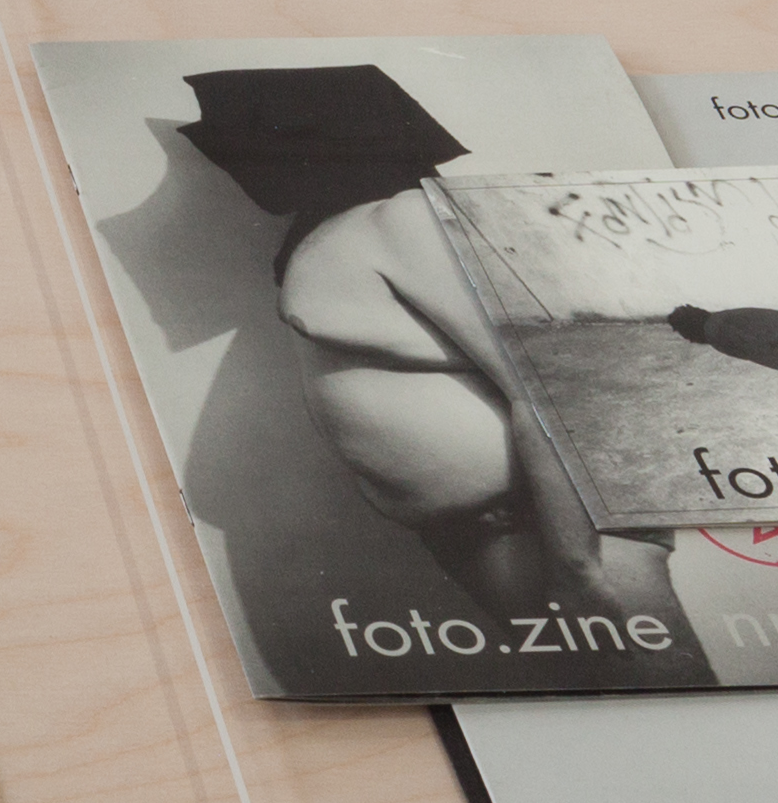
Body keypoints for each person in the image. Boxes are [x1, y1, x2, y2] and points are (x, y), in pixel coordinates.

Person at [173, 67, 679, 633]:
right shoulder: (358, 229)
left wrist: (576, 567)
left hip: (565, 534)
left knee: (650, 702)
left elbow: (548, 389)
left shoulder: (404, 216)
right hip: (509, 535)